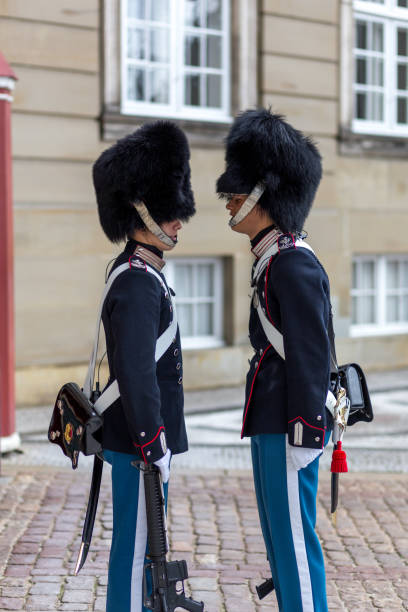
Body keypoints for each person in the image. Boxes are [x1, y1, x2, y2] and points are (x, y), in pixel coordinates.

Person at [216, 108, 331, 611]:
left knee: (295, 550)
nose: (231, 205)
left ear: (265, 195)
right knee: (280, 548)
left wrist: (306, 429)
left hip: (290, 425)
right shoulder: (273, 258)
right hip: (271, 419)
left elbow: (310, 354)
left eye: (236, 197)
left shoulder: (292, 262)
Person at [92, 120, 195, 612]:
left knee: (140, 554)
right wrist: (154, 441)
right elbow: (136, 372)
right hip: (140, 442)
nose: (178, 221)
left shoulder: (141, 273)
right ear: (142, 211)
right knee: (135, 558)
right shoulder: (137, 281)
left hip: (140, 440)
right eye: (170, 212)